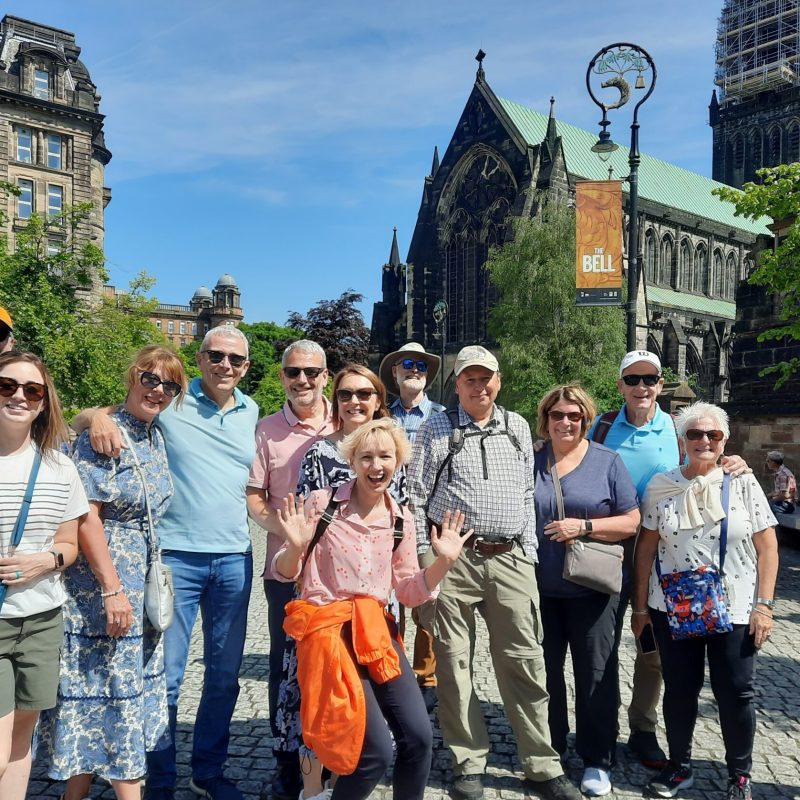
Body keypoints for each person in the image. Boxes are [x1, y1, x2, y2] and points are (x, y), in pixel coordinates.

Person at [74, 324, 258, 800]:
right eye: (216, 356)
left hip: (234, 556)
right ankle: (158, 779)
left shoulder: (251, 410)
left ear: (247, 368)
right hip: (174, 558)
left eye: (235, 360)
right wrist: (95, 416)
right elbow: (91, 416)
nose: (225, 366)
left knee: (223, 675)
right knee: (166, 677)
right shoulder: (172, 399)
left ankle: (208, 771)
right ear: (199, 359)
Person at [407, 345, 580, 800]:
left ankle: (541, 763)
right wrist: (428, 559)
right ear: (457, 384)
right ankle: (467, 761)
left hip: (509, 559)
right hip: (454, 559)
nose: (479, 386)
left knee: (524, 661)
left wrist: (526, 549)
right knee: (453, 663)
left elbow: (527, 490)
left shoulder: (518, 425)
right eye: (469, 379)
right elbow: (416, 496)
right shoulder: (436, 427)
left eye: (486, 378)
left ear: (498, 382)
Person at [274, 418, 472, 800]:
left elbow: (409, 591)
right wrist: (295, 547)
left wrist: (442, 563)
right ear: (352, 461)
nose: (375, 466)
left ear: (398, 461)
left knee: (418, 736)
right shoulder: (323, 504)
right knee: (374, 752)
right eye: (366, 457)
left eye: (385, 456)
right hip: (329, 634)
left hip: (376, 632)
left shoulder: (401, 519)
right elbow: (286, 571)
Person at [586, 350, 748, 771]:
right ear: (620, 384)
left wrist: (733, 460)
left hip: (661, 551)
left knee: (652, 647)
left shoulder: (679, 430)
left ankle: (642, 728)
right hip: (606, 546)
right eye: (633, 379)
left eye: (650, 379)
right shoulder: (600, 426)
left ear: (661, 385)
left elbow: (703, 462)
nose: (642, 387)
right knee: (599, 645)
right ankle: (598, 729)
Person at [38, 346, 187, 800]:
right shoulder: (107, 434)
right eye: (150, 378)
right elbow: (86, 518)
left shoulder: (153, 435)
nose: (158, 390)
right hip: (102, 586)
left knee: (108, 696)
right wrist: (111, 589)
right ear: (132, 376)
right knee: (109, 695)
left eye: (170, 385)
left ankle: (74, 795)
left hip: (136, 583)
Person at [632, 401, 779, 800]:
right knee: (680, 688)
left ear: (724, 440)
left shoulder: (743, 482)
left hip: (734, 607)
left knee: (735, 691)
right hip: (673, 607)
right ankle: (679, 766)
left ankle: (740, 775)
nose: (704, 441)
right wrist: (641, 607)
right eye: (694, 434)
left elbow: (768, 548)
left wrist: (764, 605)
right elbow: (645, 551)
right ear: (682, 440)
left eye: (712, 434)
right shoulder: (661, 486)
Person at [276, 363, 399, 800]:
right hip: (325, 604)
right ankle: (315, 788)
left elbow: (402, 522)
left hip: (374, 605)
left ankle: (349, 778)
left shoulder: (394, 450)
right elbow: (304, 533)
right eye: (345, 394)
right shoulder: (319, 454)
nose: (354, 402)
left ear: (378, 399)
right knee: (318, 698)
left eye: (364, 394)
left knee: (362, 701)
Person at [533, 384, 640, 796]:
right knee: (545, 674)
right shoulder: (532, 459)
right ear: (546, 418)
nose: (566, 422)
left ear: (586, 419)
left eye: (574, 416)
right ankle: (552, 748)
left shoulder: (606, 461)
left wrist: (586, 526)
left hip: (594, 591)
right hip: (539, 587)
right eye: (558, 415)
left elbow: (631, 521)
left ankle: (597, 758)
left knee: (596, 674)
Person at [246, 339, 333, 800]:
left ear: (325, 376)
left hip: (339, 575)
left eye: (312, 372)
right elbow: (255, 494)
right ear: (282, 376)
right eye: (294, 372)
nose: (303, 380)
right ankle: (286, 760)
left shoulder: (347, 424)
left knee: (334, 666)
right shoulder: (266, 429)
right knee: (285, 669)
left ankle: (332, 757)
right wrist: (282, 529)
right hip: (286, 570)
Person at [0, 351, 87, 800]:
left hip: (42, 620)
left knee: (20, 743)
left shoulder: (59, 468)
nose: (19, 396)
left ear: (43, 402)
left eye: (31, 390)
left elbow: (69, 545)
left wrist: (46, 560)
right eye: (7, 385)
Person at [379, 342, 444, 712]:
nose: (414, 369)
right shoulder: (380, 415)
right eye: (407, 363)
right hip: (383, 516)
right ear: (395, 373)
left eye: (421, 365)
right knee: (385, 596)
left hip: (423, 517)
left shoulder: (441, 415)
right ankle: (391, 666)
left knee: (426, 598)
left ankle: (426, 675)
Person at [764, 450, 796, 514]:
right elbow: (779, 491)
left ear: (773, 462)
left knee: (763, 507)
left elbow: (785, 495)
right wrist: (767, 496)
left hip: (786, 505)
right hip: (782, 502)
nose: (767, 463)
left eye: (768, 461)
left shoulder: (783, 474)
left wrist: (771, 500)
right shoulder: (780, 473)